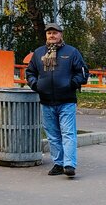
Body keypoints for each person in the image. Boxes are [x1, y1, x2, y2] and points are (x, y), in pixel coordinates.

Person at [25, 22, 88, 178]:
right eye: (49, 33)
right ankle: (58, 164)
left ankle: (69, 164)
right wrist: (36, 84)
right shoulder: (39, 53)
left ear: (61, 34)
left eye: (55, 32)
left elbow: (83, 73)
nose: (52, 35)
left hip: (66, 101)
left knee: (68, 133)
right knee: (52, 135)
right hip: (46, 101)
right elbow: (30, 72)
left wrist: (72, 83)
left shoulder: (71, 52)